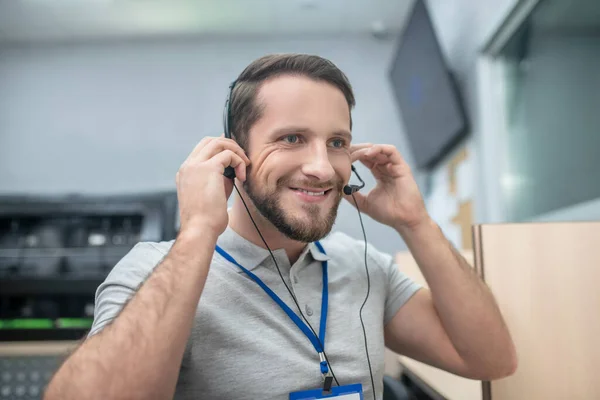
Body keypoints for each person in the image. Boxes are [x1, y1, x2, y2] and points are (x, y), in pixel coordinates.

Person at [44, 54, 516, 400]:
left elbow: (489, 359)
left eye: (336, 142)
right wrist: (196, 235)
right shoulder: (157, 268)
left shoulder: (363, 265)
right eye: (292, 138)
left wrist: (417, 222)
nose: (322, 168)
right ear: (234, 156)